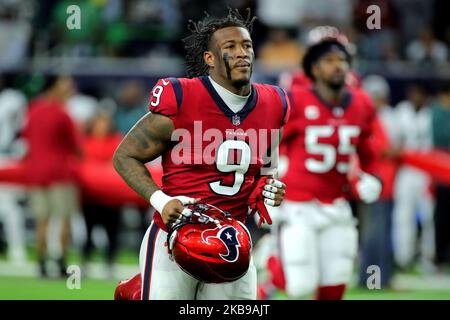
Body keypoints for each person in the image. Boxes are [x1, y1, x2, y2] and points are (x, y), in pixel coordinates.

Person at [112, 8, 289, 300]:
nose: (242, 53)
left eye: (246, 45)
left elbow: (268, 161)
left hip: (233, 237)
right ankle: (134, 290)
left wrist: (269, 184)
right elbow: (125, 155)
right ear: (209, 58)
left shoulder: (274, 103)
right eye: (229, 47)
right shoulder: (182, 96)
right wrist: (161, 201)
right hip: (178, 230)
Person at [274, 35, 382, 300]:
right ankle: (272, 262)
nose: (338, 66)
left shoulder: (361, 103)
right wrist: (267, 185)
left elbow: (367, 153)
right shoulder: (295, 100)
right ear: (314, 69)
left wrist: (371, 178)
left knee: (335, 285)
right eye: (330, 61)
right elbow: (268, 146)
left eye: (342, 60)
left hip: (337, 203)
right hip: (299, 203)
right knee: (300, 287)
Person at [23, 75, 81, 277]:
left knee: (42, 221)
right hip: (60, 173)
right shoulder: (62, 114)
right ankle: (61, 262)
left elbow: (27, 141)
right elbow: (76, 147)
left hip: (36, 173)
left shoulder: (32, 111)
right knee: (64, 219)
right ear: (54, 88)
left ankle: (41, 264)